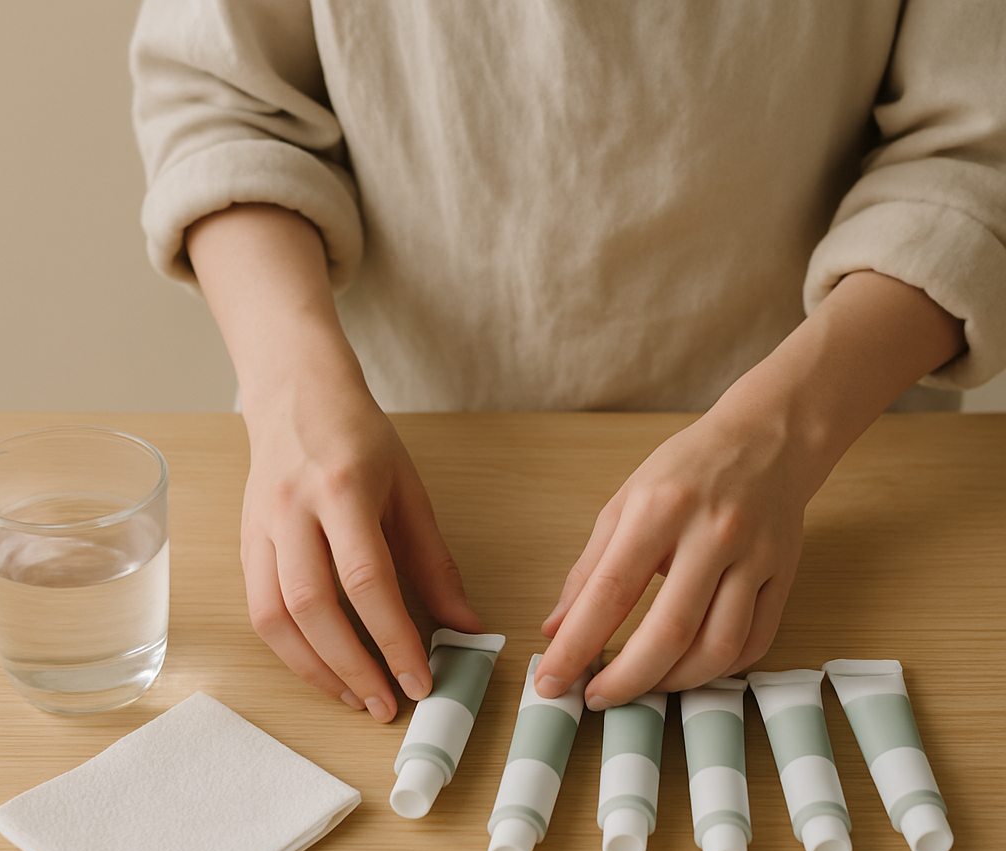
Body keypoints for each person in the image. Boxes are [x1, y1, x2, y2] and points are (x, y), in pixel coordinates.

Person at [130, 1, 1006, 722]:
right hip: (382, 483)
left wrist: (782, 432)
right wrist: (291, 390)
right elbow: (223, 103)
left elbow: (975, 155)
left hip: (832, 461)